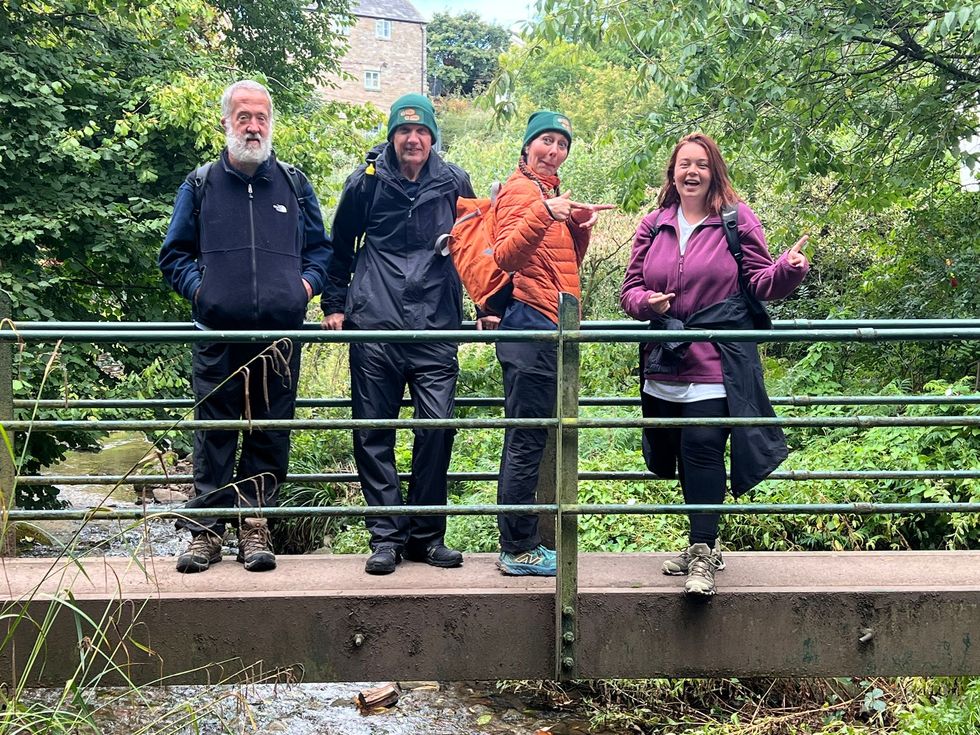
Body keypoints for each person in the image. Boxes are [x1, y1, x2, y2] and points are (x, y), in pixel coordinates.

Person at [620, 132, 810, 596]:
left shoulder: (735, 218)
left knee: (704, 444)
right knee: (682, 453)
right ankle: (702, 542)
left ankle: (702, 552)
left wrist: (789, 268)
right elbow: (629, 290)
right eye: (684, 164)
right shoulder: (653, 224)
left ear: (714, 172)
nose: (692, 172)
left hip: (716, 357)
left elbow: (762, 282)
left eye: (701, 164)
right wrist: (649, 303)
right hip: (665, 357)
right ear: (672, 172)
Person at [159, 79, 331, 574]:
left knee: (269, 434)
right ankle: (205, 533)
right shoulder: (200, 185)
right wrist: (203, 292)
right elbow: (174, 256)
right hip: (217, 335)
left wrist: (302, 289)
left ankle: (254, 527)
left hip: (279, 338)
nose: (253, 127)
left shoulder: (295, 186)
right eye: (244, 117)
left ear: (270, 123)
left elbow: (321, 251)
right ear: (226, 123)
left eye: (261, 118)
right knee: (214, 432)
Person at [321, 94, 479, 575]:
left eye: (422, 131)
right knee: (373, 431)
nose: (413, 139)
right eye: (404, 131)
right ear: (392, 135)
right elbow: (340, 245)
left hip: (436, 324)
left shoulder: (454, 182)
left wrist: (488, 304)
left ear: (433, 137)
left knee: (436, 428)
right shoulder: (365, 183)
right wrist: (334, 304)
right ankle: (386, 537)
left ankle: (427, 536)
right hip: (375, 323)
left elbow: (476, 246)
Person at [491, 111, 614, 576]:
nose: (554, 151)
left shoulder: (549, 194)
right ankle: (518, 547)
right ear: (527, 147)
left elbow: (558, 263)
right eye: (546, 141)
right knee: (525, 439)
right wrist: (545, 213)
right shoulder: (522, 191)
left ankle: (521, 543)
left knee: (533, 436)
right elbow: (506, 256)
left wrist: (577, 227)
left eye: (562, 144)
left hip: (548, 324)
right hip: (530, 324)